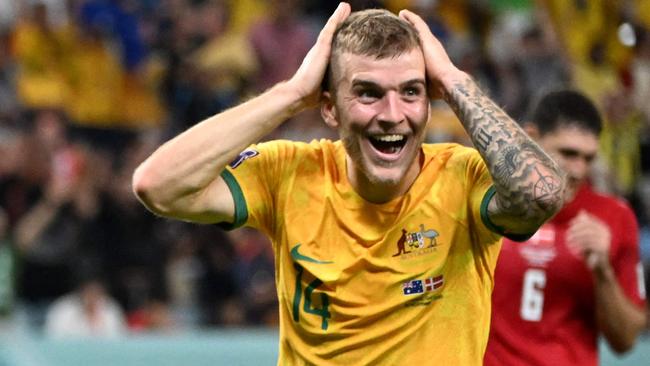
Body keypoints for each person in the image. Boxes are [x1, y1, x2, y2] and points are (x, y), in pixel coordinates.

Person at [133, 3, 564, 364]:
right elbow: (159, 185)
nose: (393, 113)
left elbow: (541, 194)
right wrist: (290, 94)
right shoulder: (288, 171)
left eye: (411, 92)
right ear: (330, 110)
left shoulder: (462, 177)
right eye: (369, 93)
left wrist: (454, 82)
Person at [485, 90, 647, 366]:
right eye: (568, 153)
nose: (579, 170)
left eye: (588, 158)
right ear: (532, 138)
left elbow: (626, 340)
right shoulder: (487, 204)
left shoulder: (614, 218)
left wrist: (603, 272)